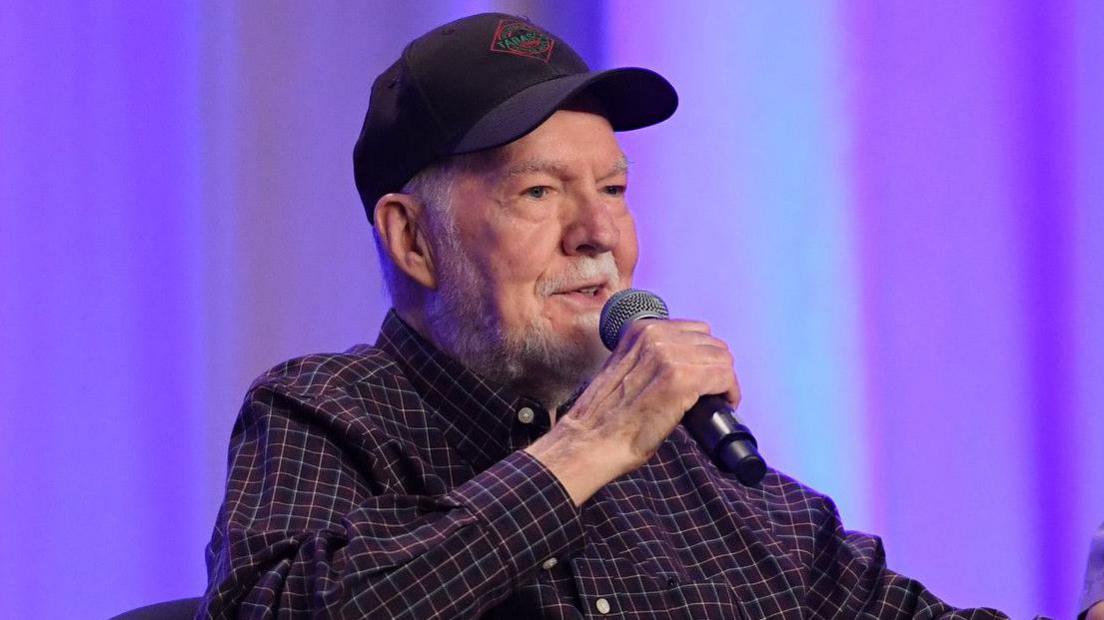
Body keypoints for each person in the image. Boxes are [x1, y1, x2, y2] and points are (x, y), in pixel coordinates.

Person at [199, 13, 1012, 618]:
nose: (600, 234)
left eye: (615, 190)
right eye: (540, 192)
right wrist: (591, 446)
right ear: (413, 239)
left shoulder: (693, 462)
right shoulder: (327, 414)